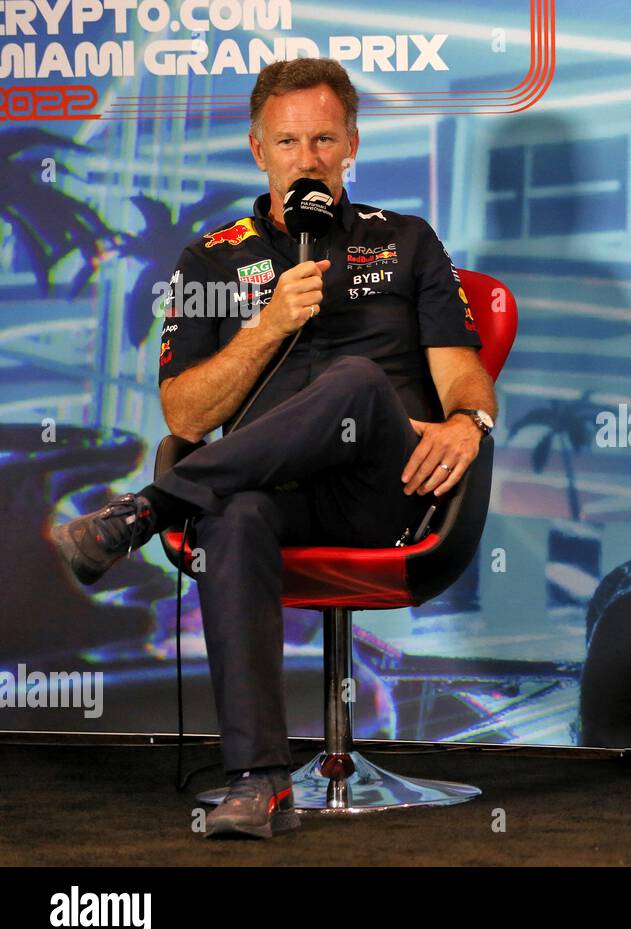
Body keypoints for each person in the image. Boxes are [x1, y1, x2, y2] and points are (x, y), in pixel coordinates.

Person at [50, 58, 499, 839]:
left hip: (382, 492)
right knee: (236, 515)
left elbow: (464, 379)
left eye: (325, 138)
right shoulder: (210, 260)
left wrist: (469, 424)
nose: (308, 157)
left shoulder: (409, 242)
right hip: (271, 492)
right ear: (259, 151)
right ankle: (258, 782)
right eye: (288, 141)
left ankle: (144, 512)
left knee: (359, 380)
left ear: (351, 144)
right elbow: (184, 415)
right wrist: (268, 325)